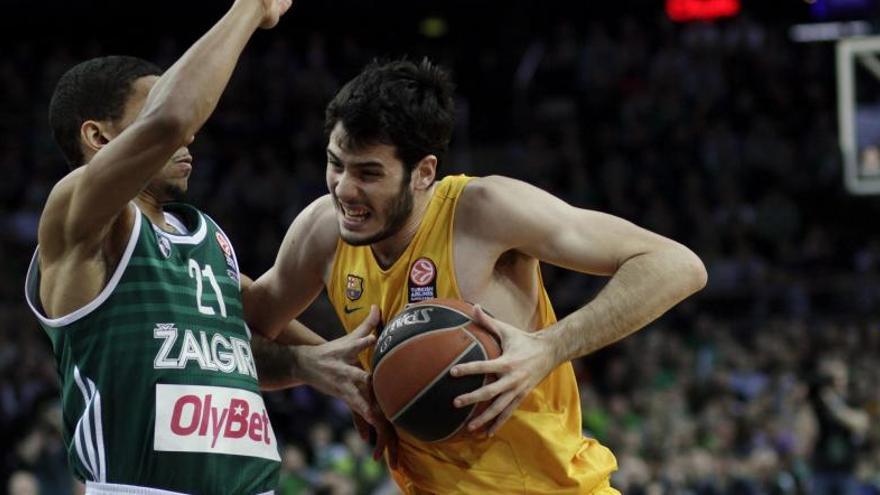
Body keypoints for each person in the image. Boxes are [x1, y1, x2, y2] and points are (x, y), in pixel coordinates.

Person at [245, 58, 707, 494]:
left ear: (423, 172)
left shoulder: (484, 212)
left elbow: (675, 264)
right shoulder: (322, 233)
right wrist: (310, 366)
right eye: (335, 163)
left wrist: (550, 347)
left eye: (369, 173)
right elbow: (236, 330)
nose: (344, 189)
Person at [23, 1, 379, 494]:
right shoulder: (78, 214)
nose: (191, 137)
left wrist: (331, 369)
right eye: (148, 113)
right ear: (98, 136)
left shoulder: (206, 234)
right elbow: (173, 119)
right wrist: (250, 8)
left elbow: (237, 339)